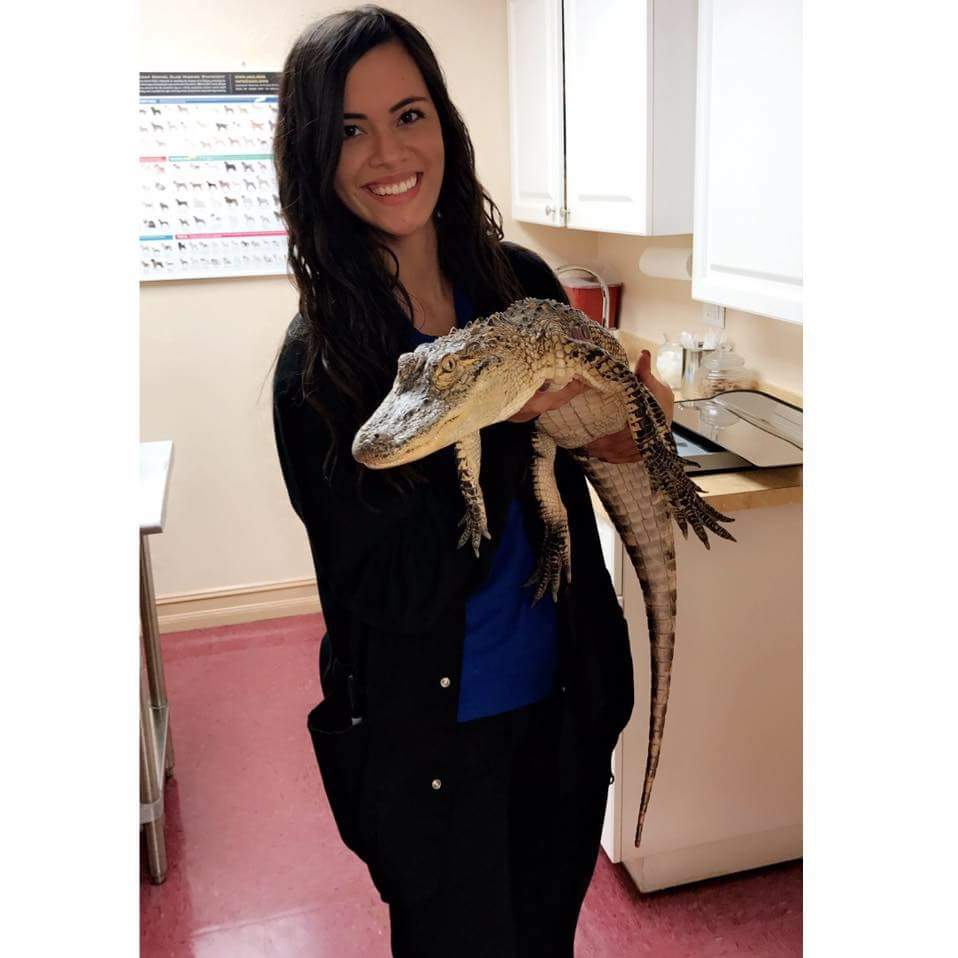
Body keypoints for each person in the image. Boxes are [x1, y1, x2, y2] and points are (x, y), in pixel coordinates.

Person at [269, 7, 674, 956]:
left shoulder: (519, 281)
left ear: (443, 124)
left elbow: (604, 459)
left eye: (408, 114)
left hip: (566, 712)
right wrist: (499, 419)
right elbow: (387, 592)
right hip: (433, 754)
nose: (387, 152)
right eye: (349, 129)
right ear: (314, 156)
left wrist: (623, 419)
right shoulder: (319, 369)